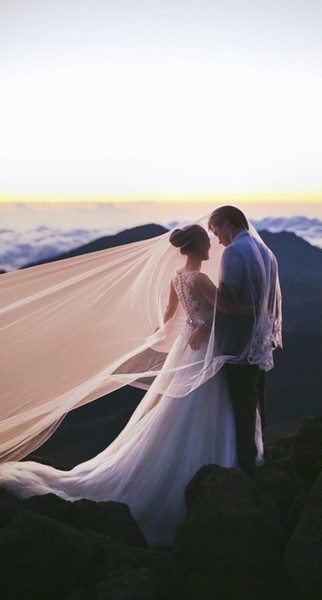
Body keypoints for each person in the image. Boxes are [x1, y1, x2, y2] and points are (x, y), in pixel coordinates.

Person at [0, 223, 264, 547]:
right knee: (200, 410)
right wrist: (257, 308)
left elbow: (168, 317)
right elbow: (225, 310)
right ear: (197, 246)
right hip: (201, 351)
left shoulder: (178, 277)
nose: (211, 247)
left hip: (186, 349)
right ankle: (212, 467)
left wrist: (185, 329)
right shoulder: (200, 279)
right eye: (207, 242)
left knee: (174, 414)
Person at [207, 206, 282, 475]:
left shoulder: (234, 252)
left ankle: (246, 461)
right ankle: (259, 451)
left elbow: (228, 295)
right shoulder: (267, 252)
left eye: (216, 231)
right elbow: (270, 300)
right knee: (256, 397)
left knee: (241, 401)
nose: (218, 240)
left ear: (227, 223)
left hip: (239, 340)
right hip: (260, 341)